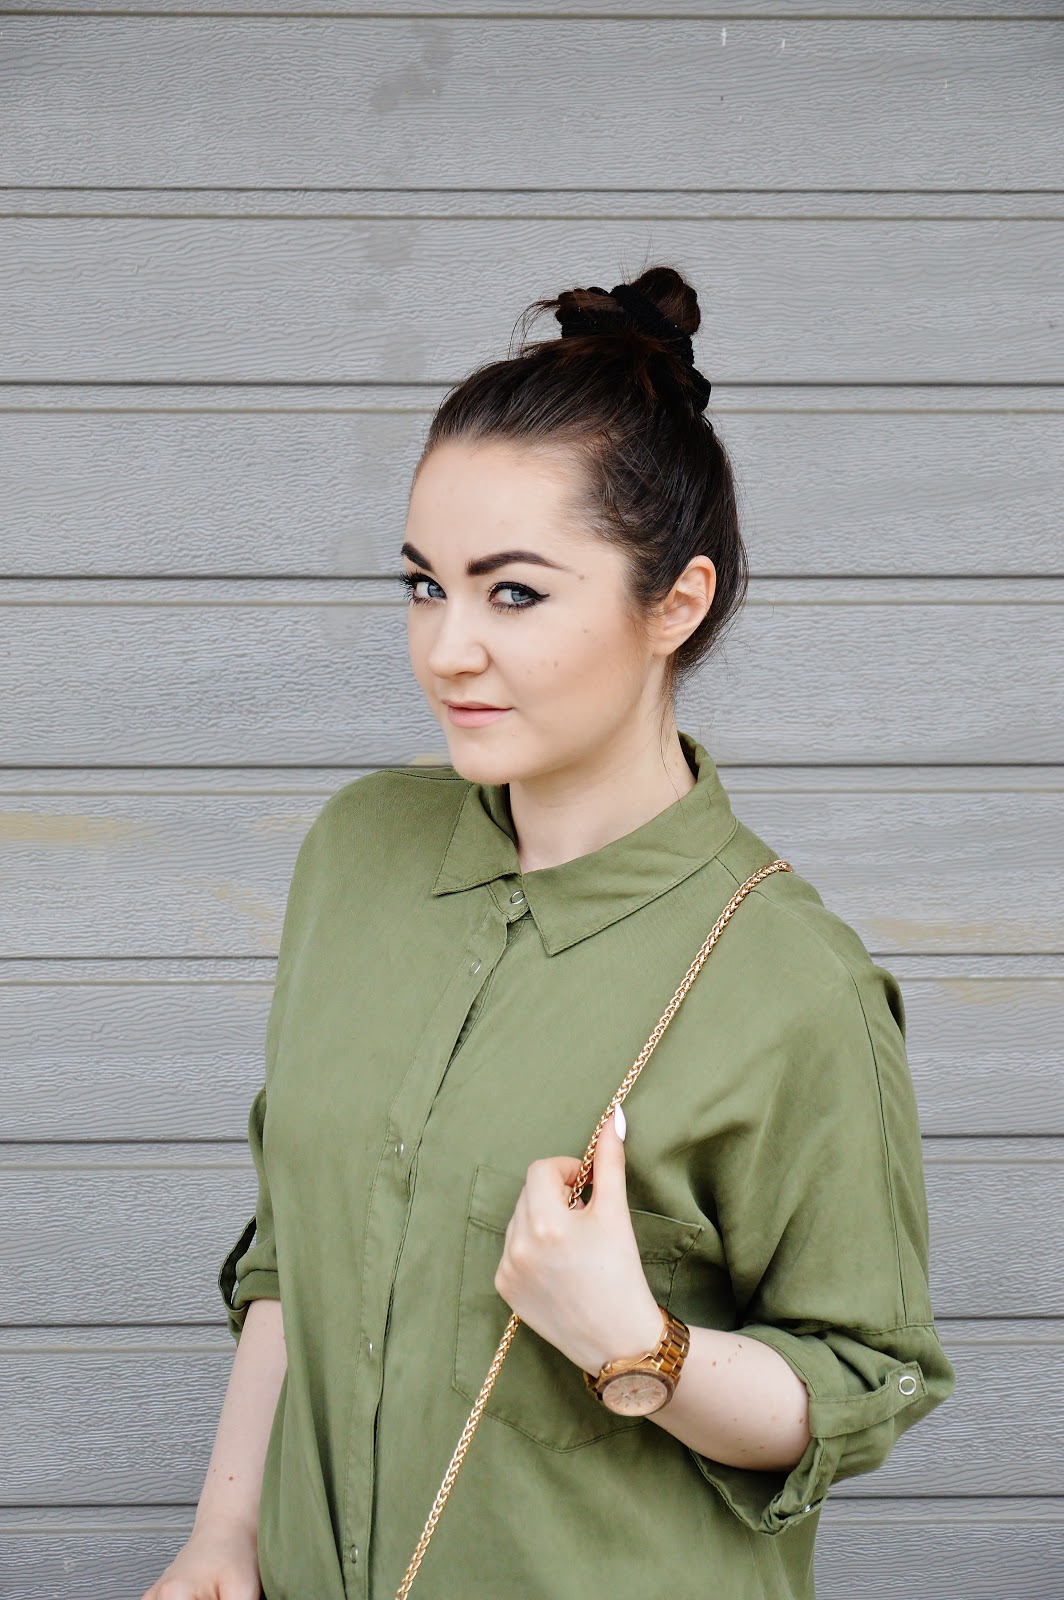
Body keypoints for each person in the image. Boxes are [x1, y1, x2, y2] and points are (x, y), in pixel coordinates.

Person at [141, 266, 956, 1600]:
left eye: (513, 594)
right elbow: (296, 1247)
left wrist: (640, 1343)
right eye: (424, 586)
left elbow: (864, 1377)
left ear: (674, 603)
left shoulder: (795, 983)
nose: (446, 650)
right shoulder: (358, 854)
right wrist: (225, 1535)